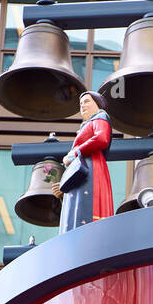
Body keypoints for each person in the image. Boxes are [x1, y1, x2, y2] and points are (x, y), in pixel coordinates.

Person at [52, 90, 113, 232]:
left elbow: (101, 138)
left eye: (87, 101)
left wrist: (76, 152)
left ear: (98, 104)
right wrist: (64, 187)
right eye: (80, 103)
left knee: (87, 205)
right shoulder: (88, 125)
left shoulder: (100, 117)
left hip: (91, 169)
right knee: (77, 205)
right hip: (83, 171)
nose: (82, 106)